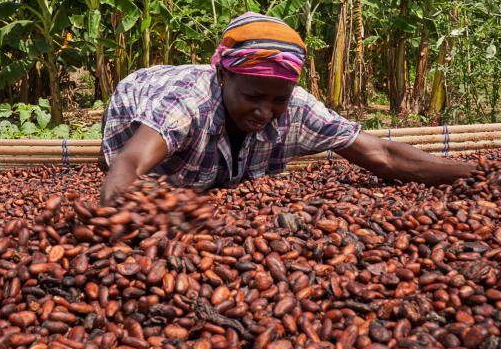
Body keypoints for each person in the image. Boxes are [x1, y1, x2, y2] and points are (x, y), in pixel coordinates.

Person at [99, 12, 472, 205]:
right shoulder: (186, 104)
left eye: (278, 99)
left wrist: (476, 173)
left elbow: (383, 155)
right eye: (254, 97)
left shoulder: (297, 107)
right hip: (141, 95)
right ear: (224, 75)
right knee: (153, 177)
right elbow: (130, 162)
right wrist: (120, 212)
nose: (265, 111)